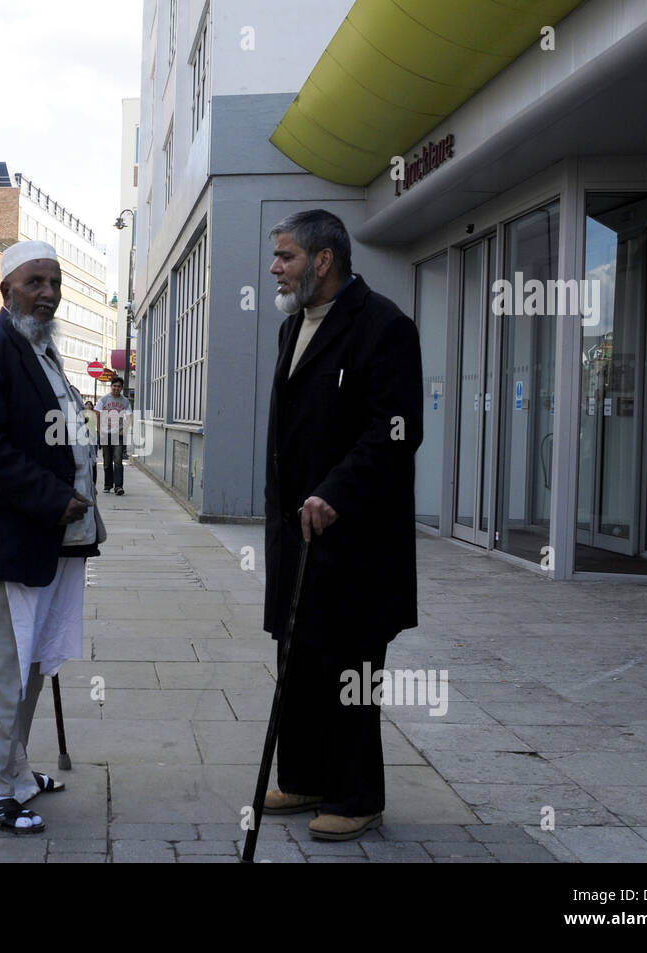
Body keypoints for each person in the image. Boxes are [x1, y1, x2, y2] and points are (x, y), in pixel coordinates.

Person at [261, 209, 423, 841]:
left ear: (323, 260)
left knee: (348, 671)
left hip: (354, 541)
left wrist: (335, 492)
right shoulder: (293, 326)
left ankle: (356, 796)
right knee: (298, 661)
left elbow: (396, 430)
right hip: (295, 537)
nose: (275, 268)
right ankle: (303, 779)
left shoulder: (383, 326)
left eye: (286, 257)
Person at [0, 240, 102, 834]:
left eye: (54, 282)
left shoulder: (41, 350)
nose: (48, 293)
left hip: (50, 538)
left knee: (31, 663)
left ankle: (11, 770)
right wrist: (52, 496)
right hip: (5, 538)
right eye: (35, 281)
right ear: (5, 286)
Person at [95, 376, 131, 495]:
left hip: (118, 434)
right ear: (111, 386)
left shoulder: (125, 401)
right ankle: (108, 484)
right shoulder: (104, 399)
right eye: (114, 386)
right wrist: (99, 430)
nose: (116, 388)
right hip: (105, 434)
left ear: (121, 388)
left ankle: (118, 486)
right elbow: (97, 414)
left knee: (118, 460)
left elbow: (129, 416)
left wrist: (124, 430)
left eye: (119, 386)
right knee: (107, 461)